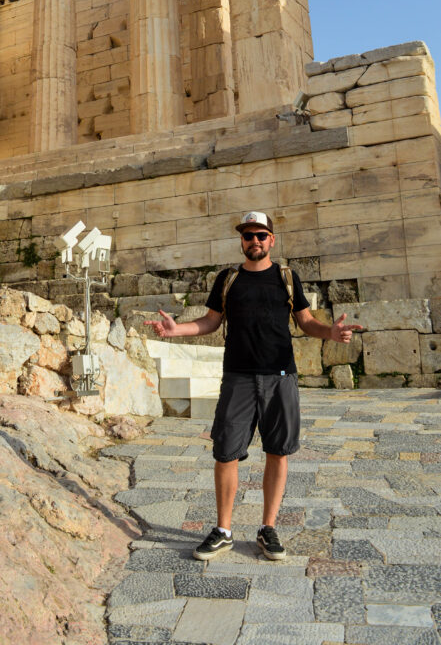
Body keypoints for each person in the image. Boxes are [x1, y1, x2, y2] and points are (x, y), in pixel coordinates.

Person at [145, 210, 362, 562]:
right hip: (238, 377)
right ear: (242, 241)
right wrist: (176, 330)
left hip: (280, 376)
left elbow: (306, 321)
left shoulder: (286, 277)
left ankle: (268, 528)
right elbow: (211, 321)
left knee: (277, 451)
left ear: (271, 240)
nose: (255, 241)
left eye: (261, 235)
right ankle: (223, 531)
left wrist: (331, 333)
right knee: (226, 452)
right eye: (248, 235)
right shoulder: (228, 279)